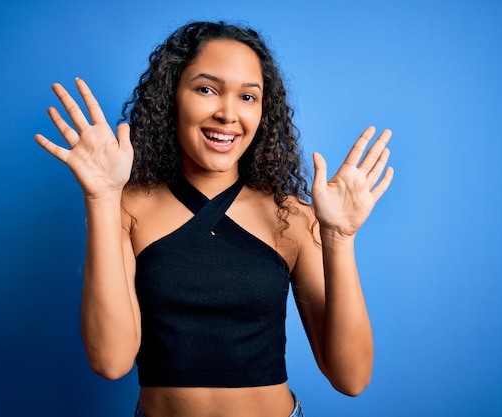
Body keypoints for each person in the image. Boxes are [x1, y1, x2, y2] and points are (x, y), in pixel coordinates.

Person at [34, 21, 393, 417]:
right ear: (172, 96)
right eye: (206, 89)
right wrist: (102, 198)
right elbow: (111, 361)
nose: (227, 113)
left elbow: (352, 378)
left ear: (263, 110)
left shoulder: (292, 217)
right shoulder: (126, 208)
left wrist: (339, 237)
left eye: (247, 97)